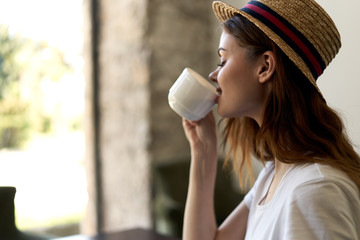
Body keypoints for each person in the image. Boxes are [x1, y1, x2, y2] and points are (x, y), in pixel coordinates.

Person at [181, 0, 360, 239]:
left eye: (222, 61)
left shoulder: (314, 190)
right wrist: (203, 151)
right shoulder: (274, 173)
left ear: (265, 67)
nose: (214, 75)